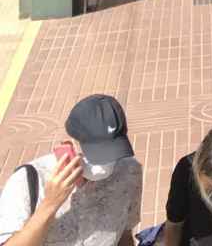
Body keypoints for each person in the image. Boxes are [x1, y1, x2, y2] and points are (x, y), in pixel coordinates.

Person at [0, 94, 142, 246]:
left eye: (112, 152)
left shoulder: (129, 170)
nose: (105, 163)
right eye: (96, 154)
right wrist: (50, 204)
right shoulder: (28, 181)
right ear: (70, 144)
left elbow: (124, 233)